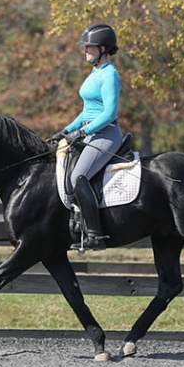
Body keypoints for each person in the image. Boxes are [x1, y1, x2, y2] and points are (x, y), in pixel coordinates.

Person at [50, 23, 122, 251]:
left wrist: (82, 132)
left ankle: (96, 236)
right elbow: (87, 111)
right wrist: (66, 129)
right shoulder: (95, 72)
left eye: (89, 47)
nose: (85, 51)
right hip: (90, 131)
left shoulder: (109, 75)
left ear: (103, 48)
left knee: (78, 176)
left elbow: (109, 113)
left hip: (105, 134)